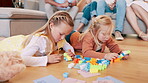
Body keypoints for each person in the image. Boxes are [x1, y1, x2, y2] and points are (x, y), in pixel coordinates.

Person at [0, 11, 75, 66]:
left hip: (26, 39)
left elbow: (67, 45)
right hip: (15, 44)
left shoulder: (60, 38)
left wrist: (70, 52)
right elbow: (23, 59)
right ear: (51, 26)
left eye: (66, 35)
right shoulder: (40, 40)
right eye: (61, 34)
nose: (63, 38)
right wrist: (47, 59)